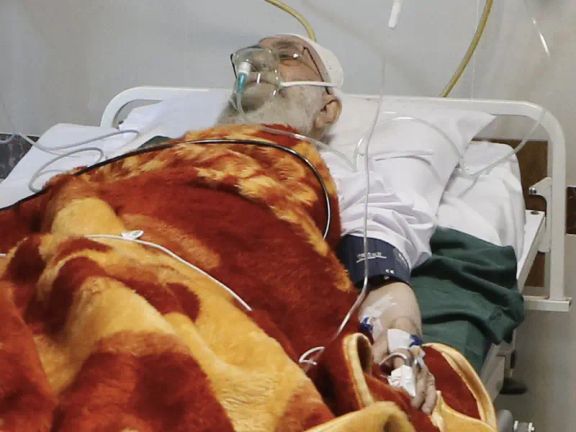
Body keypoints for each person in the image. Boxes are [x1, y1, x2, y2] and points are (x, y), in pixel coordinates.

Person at [218, 34, 438, 414]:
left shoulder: (327, 175)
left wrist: (399, 339)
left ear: (327, 109)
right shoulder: (161, 150)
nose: (261, 62)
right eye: (256, 54)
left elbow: (378, 269)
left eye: (286, 55)